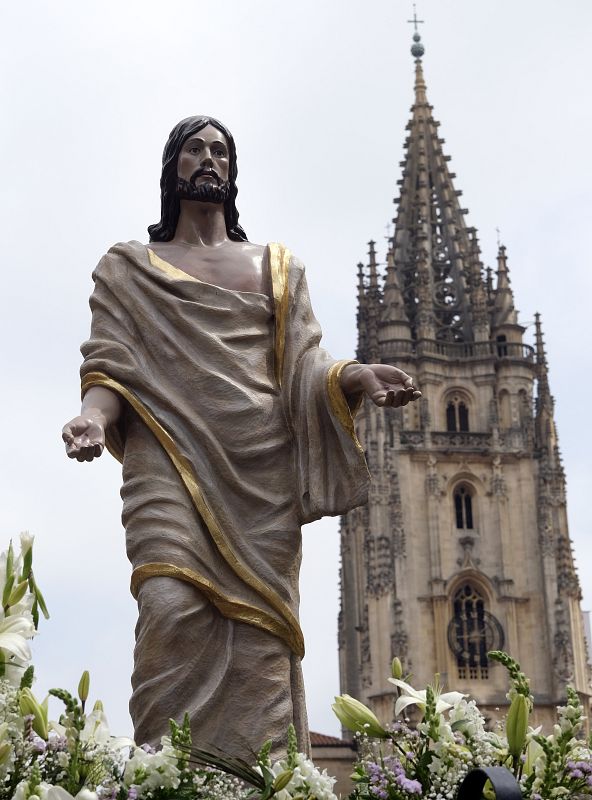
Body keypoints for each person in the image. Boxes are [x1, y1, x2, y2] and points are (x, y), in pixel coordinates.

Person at [62, 116, 421, 759]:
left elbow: (305, 367)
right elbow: (111, 365)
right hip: (167, 460)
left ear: (232, 170)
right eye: (195, 148)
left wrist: (355, 376)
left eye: (220, 151)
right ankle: (170, 774)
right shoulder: (128, 269)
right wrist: (94, 415)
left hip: (261, 475)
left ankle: (264, 778)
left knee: (261, 642)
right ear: (172, 166)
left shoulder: (277, 267)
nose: (208, 159)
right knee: (169, 605)